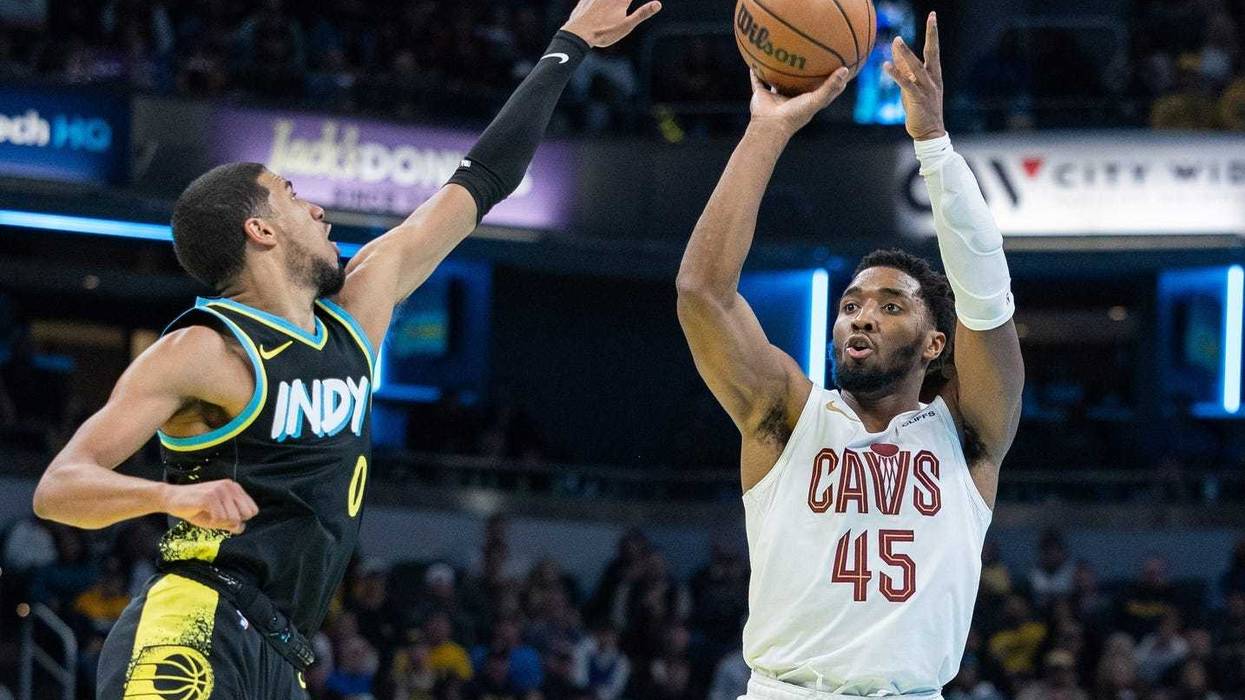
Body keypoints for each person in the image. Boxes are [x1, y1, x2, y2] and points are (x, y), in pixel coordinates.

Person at [30, 1, 661, 696]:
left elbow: (482, 180)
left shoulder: (357, 313)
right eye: (292, 195)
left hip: (283, 650)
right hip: (194, 624)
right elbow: (60, 489)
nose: (317, 209)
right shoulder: (205, 350)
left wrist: (568, 44)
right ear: (260, 231)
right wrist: (171, 496)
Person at [676, 12, 1023, 697]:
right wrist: (766, 131)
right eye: (851, 305)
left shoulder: (967, 436)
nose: (861, 315)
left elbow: (987, 297)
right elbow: (701, 293)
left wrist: (934, 147)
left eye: (890, 307)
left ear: (935, 344)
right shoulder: (786, 414)